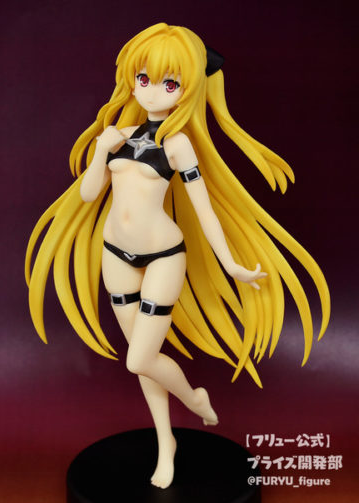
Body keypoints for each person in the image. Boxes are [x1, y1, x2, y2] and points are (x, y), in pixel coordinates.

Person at [25, 23, 330, 489]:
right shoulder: (118, 135)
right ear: (130, 80)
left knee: (138, 359)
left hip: (164, 255)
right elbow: (88, 195)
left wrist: (229, 263)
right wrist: (100, 151)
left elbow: (205, 211)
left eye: (169, 83)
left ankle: (193, 397)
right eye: (143, 78)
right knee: (144, 358)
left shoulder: (178, 144)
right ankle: (165, 442)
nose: (151, 91)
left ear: (187, 89)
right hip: (115, 254)